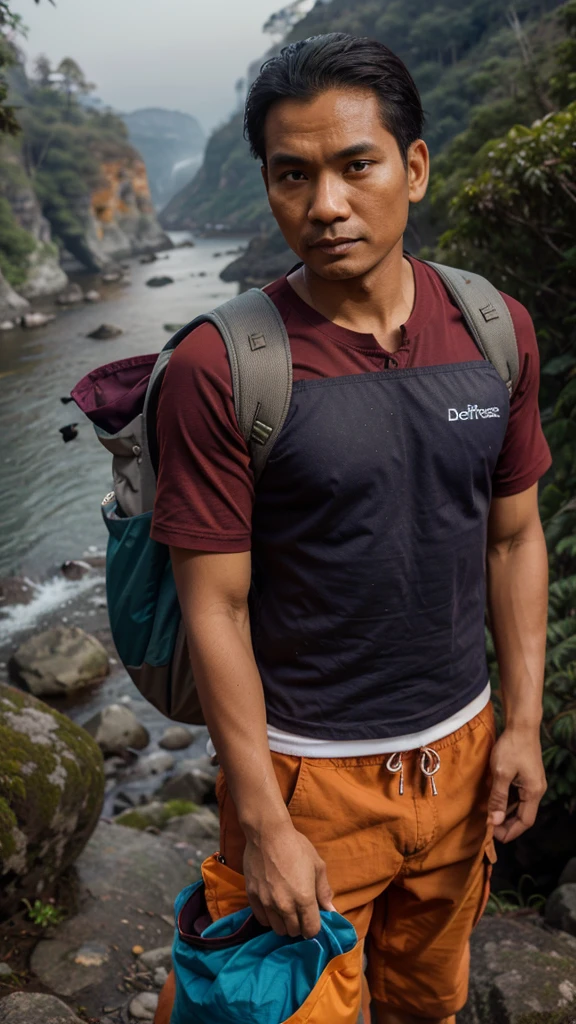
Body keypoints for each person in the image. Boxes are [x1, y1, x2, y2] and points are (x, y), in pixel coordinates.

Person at [151, 33, 551, 1024]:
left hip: (460, 760)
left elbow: (512, 538)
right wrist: (264, 818)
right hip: (305, 777)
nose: (324, 205)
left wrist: (526, 724)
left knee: (429, 1003)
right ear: (268, 185)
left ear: (413, 167)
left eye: (354, 165)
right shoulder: (223, 367)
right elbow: (217, 607)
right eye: (292, 176)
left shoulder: (494, 329)